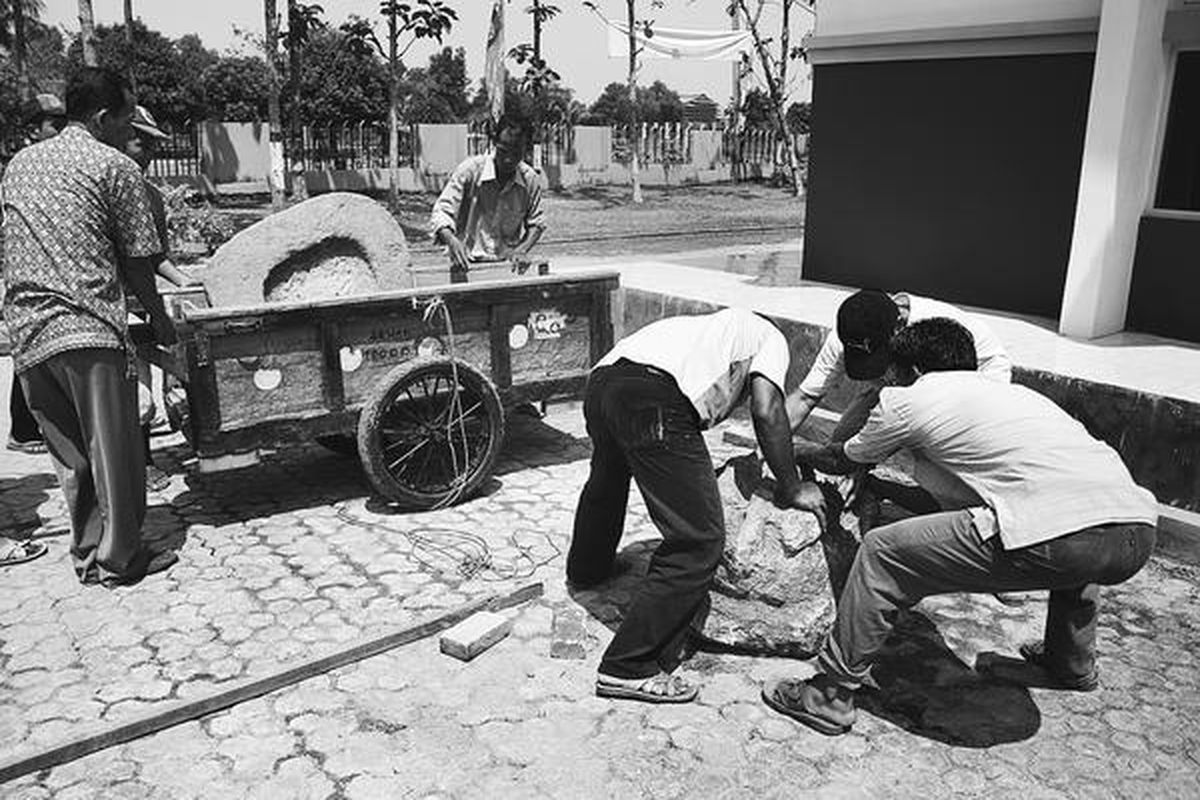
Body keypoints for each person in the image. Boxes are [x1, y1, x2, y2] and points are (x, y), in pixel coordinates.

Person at [762, 318, 1157, 735]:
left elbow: (843, 458)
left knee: (882, 552)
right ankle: (1071, 662)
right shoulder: (1016, 397)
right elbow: (966, 501)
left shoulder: (907, 398)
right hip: (1135, 532)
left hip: (1063, 540)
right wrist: (885, 489)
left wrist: (792, 450)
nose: (891, 377)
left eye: (896, 370)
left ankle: (828, 696)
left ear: (913, 370)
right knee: (1068, 524)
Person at [568, 308, 825, 704]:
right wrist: (791, 486)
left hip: (603, 384)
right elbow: (766, 409)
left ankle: (587, 570)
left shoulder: (711, 327)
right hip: (653, 399)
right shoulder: (771, 338)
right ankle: (627, 667)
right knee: (698, 540)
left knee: (607, 479)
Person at [1, 67, 179, 587]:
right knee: (114, 452)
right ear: (102, 118)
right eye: (126, 118)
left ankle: (87, 553)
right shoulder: (113, 166)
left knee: (71, 456)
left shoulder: (20, 162)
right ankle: (121, 559)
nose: (130, 130)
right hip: (88, 330)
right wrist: (161, 319)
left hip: (29, 333)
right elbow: (139, 261)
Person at [123, 104, 200, 492]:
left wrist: (186, 283)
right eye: (142, 143)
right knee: (135, 395)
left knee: (145, 385)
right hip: (113, 304)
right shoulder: (103, 187)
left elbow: (156, 258)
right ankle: (140, 465)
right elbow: (134, 264)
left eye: (154, 145)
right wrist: (158, 313)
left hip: (142, 302)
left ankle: (143, 459)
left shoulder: (150, 195)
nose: (149, 153)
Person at [4, 94, 68, 456]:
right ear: (33, 130)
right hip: (30, 270)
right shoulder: (23, 166)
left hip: (46, 267)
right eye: (53, 125)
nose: (59, 131)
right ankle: (24, 429)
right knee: (31, 351)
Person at [429, 113, 545, 280]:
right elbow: (441, 212)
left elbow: (537, 223)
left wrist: (522, 250)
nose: (508, 159)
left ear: (526, 149)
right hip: (466, 268)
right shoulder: (470, 171)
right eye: (503, 150)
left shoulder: (530, 180)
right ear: (494, 142)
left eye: (516, 153)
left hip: (508, 270)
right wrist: (451, 241)